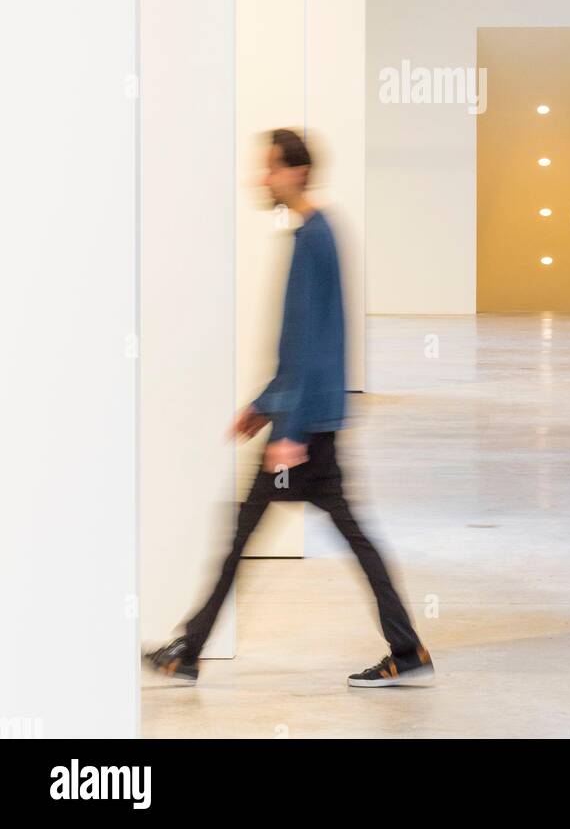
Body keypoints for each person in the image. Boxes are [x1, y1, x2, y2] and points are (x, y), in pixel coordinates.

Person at [146, 128, 434, 690]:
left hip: (301, 436)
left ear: (297, 172)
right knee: (330, 534)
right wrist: (263, 405)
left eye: (271, 168)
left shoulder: (313, 237)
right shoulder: (318, 231)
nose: (262, 178)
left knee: (246, 536)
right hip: (305, 424)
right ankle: (405, 646)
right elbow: (305, 342)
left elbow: (313, 345)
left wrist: (290, 431)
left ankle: (189, 650)